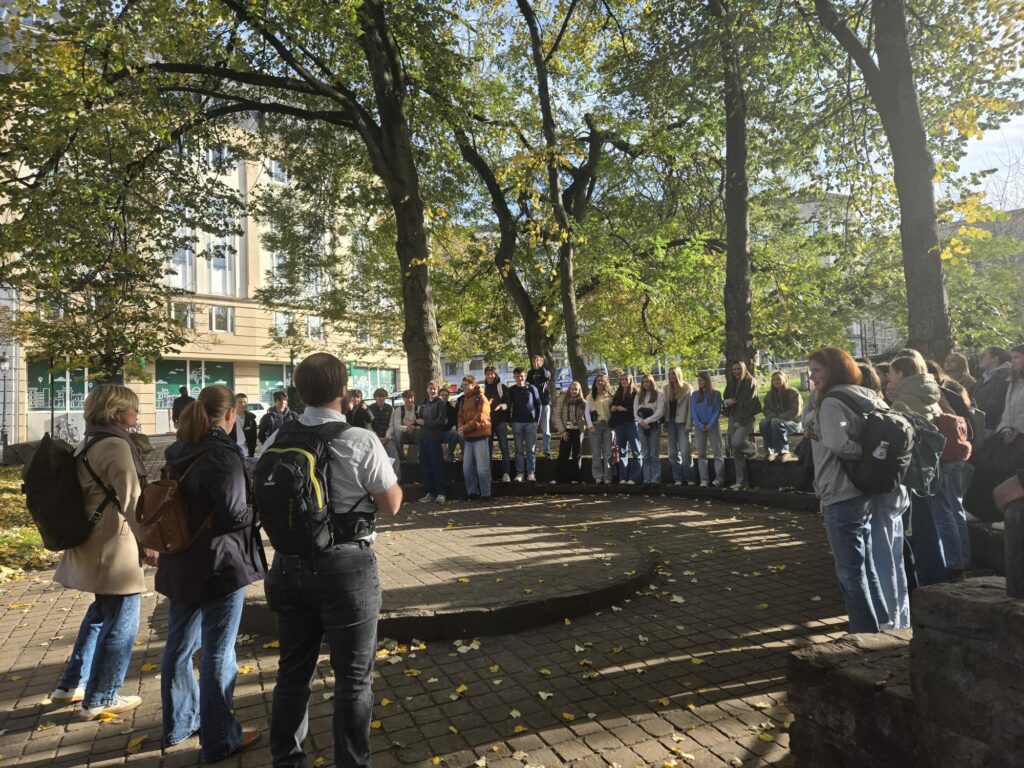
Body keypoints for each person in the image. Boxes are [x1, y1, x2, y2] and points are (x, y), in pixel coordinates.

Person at [263, 353, 402, 768]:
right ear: (343, 390)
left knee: (292, 674)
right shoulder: (359, 439)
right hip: (346, 568)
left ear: (299, 391)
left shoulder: (277, 438)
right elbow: (391, 504)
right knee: (353, 679)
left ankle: (287, 760)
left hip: (288, 564)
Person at [159, 386, 267, 760]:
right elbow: (234, 515)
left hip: (181, 560)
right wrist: (259, 504)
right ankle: (220, 739)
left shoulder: (178, 449)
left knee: (179, 645)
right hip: (219, 564)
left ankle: (178, 724)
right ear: (229, 415)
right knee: (219, 651)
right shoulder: (223, 454)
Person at [51, 384, 154, 719]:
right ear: (117, 411)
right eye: (133, 407)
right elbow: (132, 499)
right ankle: (101, 696)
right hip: (114, 541)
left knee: (100, 614)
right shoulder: (116, 445)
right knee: (122, 618)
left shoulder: (90, 440)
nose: (136, 413)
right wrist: (149, 542)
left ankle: (72, 683)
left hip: (93, 537)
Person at [806, 348, 897, 633]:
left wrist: (866, 457)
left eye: (817, 370)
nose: (812, 376)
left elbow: (839, 444)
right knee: (865, 566)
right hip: (862, 491)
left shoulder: (832, 402)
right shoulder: (865, 395)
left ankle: (863, 633)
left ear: (833, 370)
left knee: (849, 572)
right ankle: (883, 625)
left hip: (840, 490)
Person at [888, 354, 947, 586]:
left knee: (918, 528)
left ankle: (927, 581)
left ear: (900, 373)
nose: (889, 379)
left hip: (914, 471)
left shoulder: (906, 399)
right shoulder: (926, 391)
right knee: (929, 524)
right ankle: (936, 576)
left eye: (891, 373)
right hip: (929, 467)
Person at [723, 361, 761, 490]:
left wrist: (741, 420)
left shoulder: (750, 382)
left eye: (739, 369)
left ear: (744, 369)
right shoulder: (731, 383)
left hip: (745, 418)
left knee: (737, 442)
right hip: (732, 417)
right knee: (736, 452)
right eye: (734, 369)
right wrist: (726, 401)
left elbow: (751, 403)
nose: (736, 372)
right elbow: (725, 398)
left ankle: (752, 449)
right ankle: (741, 482)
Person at [457, 375, 492, 500]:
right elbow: (460, 416)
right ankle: (472, 493)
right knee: (467, 469)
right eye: (463, 385)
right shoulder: (463, 400)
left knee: (482, 468)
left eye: (466, 385)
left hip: (480, 436)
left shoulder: (481, 397)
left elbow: (480, 417)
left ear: (473, 384)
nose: (464, 387)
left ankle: (485, 493)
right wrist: (460, 427)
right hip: (468, 438)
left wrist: (464, 429)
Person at [415, 381, 448, 503]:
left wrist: (426, 423)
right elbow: (419, 417)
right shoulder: (424, 403)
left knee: (436, 465)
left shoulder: (440, 403)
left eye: (434, 389)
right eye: (430, 388)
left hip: (434, 438)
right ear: (427, 389)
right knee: (425, 466)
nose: (432, 391)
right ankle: (430, 493)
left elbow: (440, 421)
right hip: (423, 437)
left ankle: (441, 492)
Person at [508, 367, 542, 482]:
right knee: (518, 450)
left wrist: (537, 420)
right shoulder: (512, 390)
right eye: (517, 376)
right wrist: (509, 420)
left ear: (525, 376)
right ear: (514, 377)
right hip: (517, 423)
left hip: (530, 423)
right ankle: (520, 473)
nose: (520, 378)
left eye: (521, 376)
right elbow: (508, 405)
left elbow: (538, 404)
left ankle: (531, 473)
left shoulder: (532, 388)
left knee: (530, 450)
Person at [759, 372, 802, 462]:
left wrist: (779, 417)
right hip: (775, 422)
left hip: (793, 423)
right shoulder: (769, 395)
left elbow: (795, 411)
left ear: (784, 380)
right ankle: (769, 451)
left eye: (778, 379)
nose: (776, 381)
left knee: (776, 422)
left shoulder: (793, 393)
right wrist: (773, 416)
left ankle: (783, 451)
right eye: (773, 380)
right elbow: (766, 410)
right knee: (763, 423)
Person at [691, 371, 725, 487]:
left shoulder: (716, 394)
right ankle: (704, 479)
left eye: (701, 380)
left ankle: (719, 478)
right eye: (698, 380)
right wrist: (700, 425)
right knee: (701, 454)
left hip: (713, 426)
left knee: (717, 452)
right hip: (699, 427)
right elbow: (693, 412)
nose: (699, 382)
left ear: (707, 380)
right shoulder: (694, 395)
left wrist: (710, 425)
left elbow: (717, 411)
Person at [663, 367, 695, 486]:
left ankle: (690, 478)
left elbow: (691, 409)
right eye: (669, 374)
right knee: (672, 453)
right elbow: (665, 407)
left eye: (673, 374)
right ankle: (678, 478)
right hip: (670, 422)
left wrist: (689, 424)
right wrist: (665, 423)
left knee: (685, 451)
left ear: (678, 374)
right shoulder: (666, 389)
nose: (671, 376)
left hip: (683, 423)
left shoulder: (687, 388)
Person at [973, 346, 1013, 437]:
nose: (980, 358)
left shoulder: (1006, 375)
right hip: (980, 423)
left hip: (991, 426)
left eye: (983, 355)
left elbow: (997, 403)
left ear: (995, 359)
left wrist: (974, 412)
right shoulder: (985, 376)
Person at [552, 381, 587, 484]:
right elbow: (557, 415)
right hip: (565, 430)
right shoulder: (562, 400)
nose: (574, 391)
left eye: (576, 389)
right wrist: (562, 431)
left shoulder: (583, 402)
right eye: (572, 389)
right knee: (563, 454)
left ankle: (576, 478)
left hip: (578, 430)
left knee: (577, 454)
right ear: (569, 389)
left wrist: (584, 427)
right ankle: (558, 478)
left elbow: (587, 417)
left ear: (579, 390)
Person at [610, 373, 642, 484]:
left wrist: (624, 409)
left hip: (631, 423)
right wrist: (613, 407)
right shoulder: (617, 393)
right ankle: (623, 477)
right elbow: (612, 405)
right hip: (619, 424)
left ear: (630, 380)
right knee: (622, 451)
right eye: (622, 379)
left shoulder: (635, 393)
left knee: (636, 451)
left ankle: (634, 478)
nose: (624, 381)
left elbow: (638, 409)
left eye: (626, 379)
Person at [635, 374, 665, 487]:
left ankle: (655, 480)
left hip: (654, 426)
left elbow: (660, 411)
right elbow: (635, 411)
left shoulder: (659, 395)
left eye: (648, 381)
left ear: (652, 382)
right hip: (641, 426)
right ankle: (646, 479)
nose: (646, 384)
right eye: (644, 382)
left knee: (653, 453)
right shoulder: (638, 396)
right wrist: (642, 422)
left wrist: (647, 421)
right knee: (645, 454)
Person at [483, 367, 512, 483]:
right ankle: (489, 475)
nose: (490, 376)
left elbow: (508, 403)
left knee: (504, 448)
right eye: (488, 374)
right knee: (488, 450)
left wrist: (502, 406)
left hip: (500, 422)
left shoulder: (502, 387)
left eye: (492, 374)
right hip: (487, 423)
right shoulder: (483, 389)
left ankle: (506, 473)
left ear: (495, 375)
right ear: (485, 375)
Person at [585, 374, 614, 484]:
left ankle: (607, 477)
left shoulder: (610, 396)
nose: (600, 382)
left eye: (602, 381)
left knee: (608, 453)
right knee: (596, 453)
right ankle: (598, 476)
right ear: (595, 383)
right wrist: (590, 426)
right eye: (597, 381)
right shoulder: (590, 396)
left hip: (607, 426)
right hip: (595, 426)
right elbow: (587, 413)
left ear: (605, 383)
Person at [526, 354, 553, 458]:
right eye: (534, 361)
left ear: (542, 362)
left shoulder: (546, 371)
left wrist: (540, 367)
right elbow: (528, 382)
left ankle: (547, 451)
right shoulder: (530, 373)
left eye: (537, 361)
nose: (535, 363)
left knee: (545, 429)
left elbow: (546, 377)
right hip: (534, 404)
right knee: (533, 429)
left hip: (544, 403)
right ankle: (532, 451)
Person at [367, 388, 399, 469]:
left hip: (387, 437)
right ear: (375, 397)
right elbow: (368, 426)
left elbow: (391, 425)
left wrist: (387, 437)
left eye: (383, 396)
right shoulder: (369, 409)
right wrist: (376, 437)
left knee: (393, 455)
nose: (381, 398)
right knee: (372, 456)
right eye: (379, 396)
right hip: (374, 437)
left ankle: (395, 475)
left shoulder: (390, 408)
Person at [387, 390, 418, 461]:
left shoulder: (418, 409)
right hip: (403, 433)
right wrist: (407, 428)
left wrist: (414, 428)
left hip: (414, 432)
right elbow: (396, 426)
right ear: (403, 399)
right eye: (407, 398)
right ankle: (401, 457)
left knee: (419, 434)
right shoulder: (399, 410)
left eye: (411, 397)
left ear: (414, 398)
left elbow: (422, 425)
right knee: (397, 435)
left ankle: (412, 458)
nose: (409, 400)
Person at [232, 393, 258, 457]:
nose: (243, 404)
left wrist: (252, 450)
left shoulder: (251, 419)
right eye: (240, 402)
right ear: (235, 403)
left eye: (245, 402)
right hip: (233, 453)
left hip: (247, 453)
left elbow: (254, 437)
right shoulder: (230, 417)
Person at [439, 387, 460, 461]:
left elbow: (453, 422)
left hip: (445, 432)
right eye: (442, 395)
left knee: (454, 433)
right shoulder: (433, 406)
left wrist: (447, 422)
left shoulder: (451, 409)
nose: (444, 397)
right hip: (434, 433)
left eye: (446, 395)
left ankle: (449, 454)